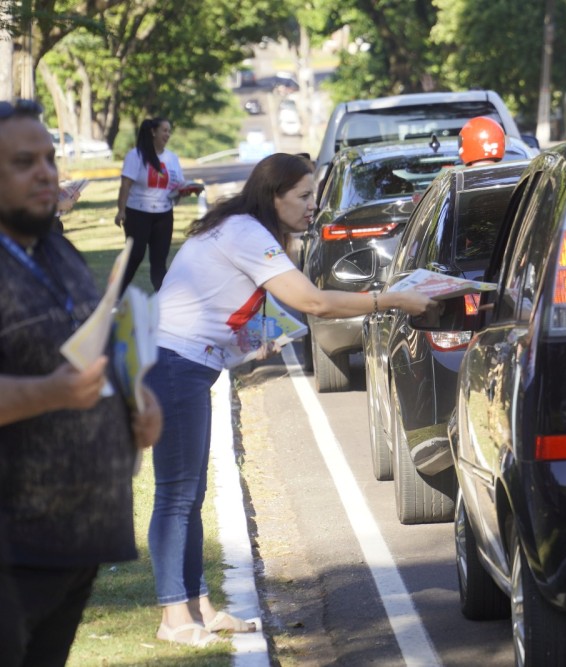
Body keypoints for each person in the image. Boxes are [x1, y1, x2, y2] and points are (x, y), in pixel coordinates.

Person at [146, 152, 437, 647]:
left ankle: (198, 606)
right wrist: (391, 300)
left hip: (184, 363)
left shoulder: (244, 227)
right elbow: (314, 301)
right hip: (174, 364)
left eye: (314, 195)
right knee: (176, 496)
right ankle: (174, 617)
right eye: (303, 196)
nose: (312, 206)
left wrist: (249, 344)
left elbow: (224, 304)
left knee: (188, 497)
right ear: (272, 195)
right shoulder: (245, 232)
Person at [0, 98, 162, 666]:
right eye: (24, 162)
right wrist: (51, 392)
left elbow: (98, 344)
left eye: (49, 157)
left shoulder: (55, 250)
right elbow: (53, 381)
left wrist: (138, 405)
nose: (47, 172)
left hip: (79, 541)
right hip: (14, 549)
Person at [114, 117, 198, 292]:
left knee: (159, 261)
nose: (168, 134)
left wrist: (189, 189)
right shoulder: (136, 155)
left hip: (164, 214)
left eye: (169, 131)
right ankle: (114, 296)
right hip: (138, 213)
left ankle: (163, 301)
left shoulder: (172, 158)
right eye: (164, 130)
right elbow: (126, 185)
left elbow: (178, 185)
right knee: (134, 256)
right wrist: (121, 210)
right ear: (153, 132)